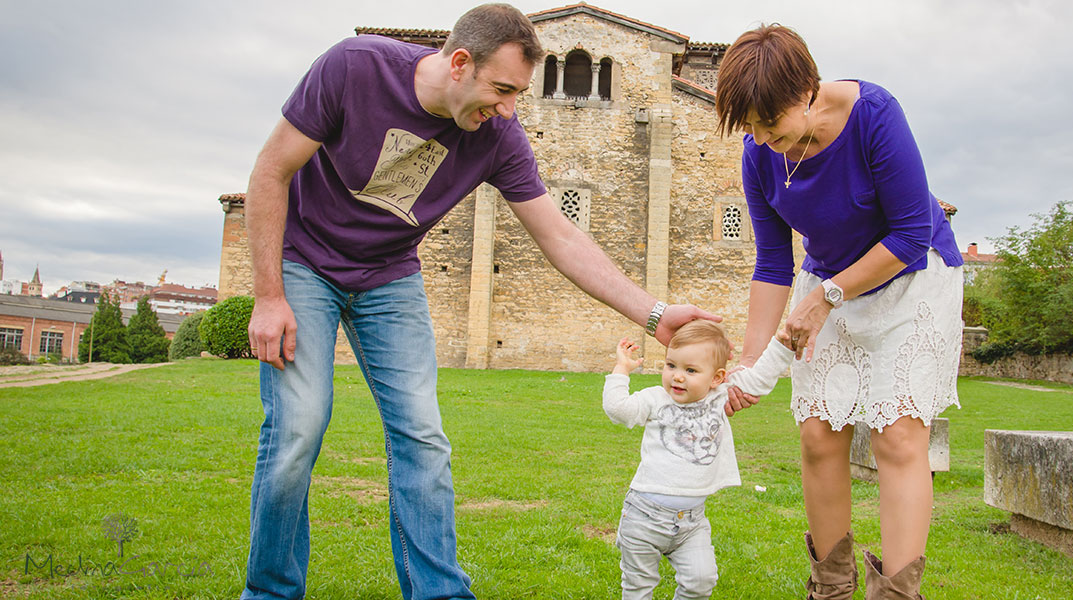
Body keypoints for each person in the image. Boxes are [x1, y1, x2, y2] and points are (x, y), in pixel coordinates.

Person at [239, 5, 718, 599]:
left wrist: (653, 313)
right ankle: (270, 592)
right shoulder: (354, 68)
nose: (509, 109)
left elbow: (560, 235)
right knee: (298, 430)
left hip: (388, 275)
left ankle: (438, 592)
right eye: (502, 89)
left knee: (422, 435)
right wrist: (267, 296)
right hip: (304, 263)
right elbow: (271, 170)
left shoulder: (497, 136)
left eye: (518, 93)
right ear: (459, 63)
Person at [713, 24, 965, 600]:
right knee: (818, 432)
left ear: (807, 92)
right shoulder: (759, 154)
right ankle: (831, 588)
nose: (758, 138)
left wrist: (825, 298)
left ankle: (898, 594)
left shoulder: (875, 114)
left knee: (898, 436)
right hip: (826, 287)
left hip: (911, 280)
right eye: (748, 127)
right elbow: (773, 262)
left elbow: (908, 235)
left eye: (768, 125)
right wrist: (749, 364)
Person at [603, 320, 794, 600]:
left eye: (690, 370)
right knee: (638, 589)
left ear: (716, 377)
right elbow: (618, 409)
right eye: (671, 366)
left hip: (692, 523)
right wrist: (622, 369)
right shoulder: (656, 399)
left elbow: (760, 380)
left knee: (702, 581)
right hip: (643, 517)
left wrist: (782, 346)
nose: (677, 377)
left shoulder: (719, 395)